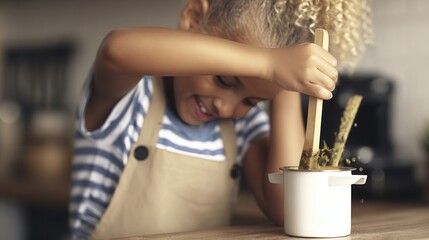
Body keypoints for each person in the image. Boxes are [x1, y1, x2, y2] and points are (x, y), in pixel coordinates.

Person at [69, 0, 372, 239]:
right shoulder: (131, 94)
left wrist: (284, 88)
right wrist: (268, 64)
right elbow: (116, 50)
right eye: (225, 80)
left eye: (252, 101)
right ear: (192, 17)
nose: (227, 109)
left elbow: (287, 207)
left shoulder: (243, 126)